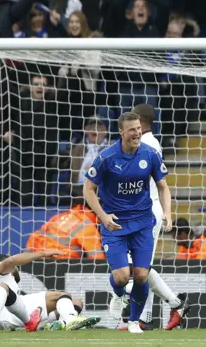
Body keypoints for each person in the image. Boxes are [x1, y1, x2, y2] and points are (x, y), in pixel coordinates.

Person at [83, 112, 173, 334]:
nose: (137, 133)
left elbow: (163, 187)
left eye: (139, 128)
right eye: (132, 129)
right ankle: (119, 293)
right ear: (121, 132)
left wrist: (167, 213)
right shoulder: (107, 158)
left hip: (142, 222)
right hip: (115, 224)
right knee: (122, 277)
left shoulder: (150, 154)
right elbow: (88, 189)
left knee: (142, 275)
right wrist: (103, 216)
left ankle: (134, 321)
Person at [126, 103, 189, 331]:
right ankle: (147, 316)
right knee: (141, 268)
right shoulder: (148, 143)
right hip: (139, 211)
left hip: (148, 211)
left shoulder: (147, 144)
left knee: (140, 268)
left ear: (140, 123)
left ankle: (175, 304)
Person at [0, 252, 100, 331]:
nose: (16, 267)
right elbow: (11, 261)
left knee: (76, 302)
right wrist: (43, 254)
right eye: (15, 266)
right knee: (62, 295)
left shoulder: (7, 281)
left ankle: (60, 323)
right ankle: (69, 320)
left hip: (18, 318)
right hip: (8, 315)